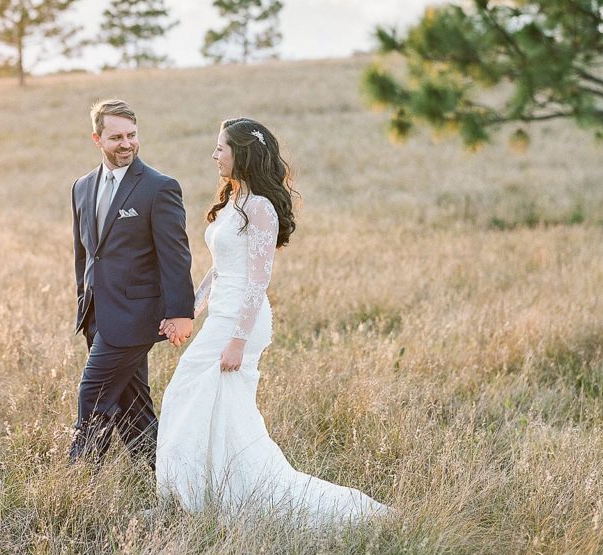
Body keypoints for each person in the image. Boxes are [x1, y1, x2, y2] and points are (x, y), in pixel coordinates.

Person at [156, 118, 392, 524]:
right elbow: (220, 268)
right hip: (221, 317)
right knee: (195, 402)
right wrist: (189, 311)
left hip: (241, 323)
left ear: (241, 153)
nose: (214, 156)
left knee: (203, 401)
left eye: (220, 149)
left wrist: (238, 340)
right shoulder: (233, 199)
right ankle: (197, 494)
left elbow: (258, 278)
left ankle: (229, 494)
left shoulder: (261, 208)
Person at [70, 99, 195, 469]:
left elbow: (175, 256)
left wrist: (181, 313)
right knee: (131, 402)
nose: (126, 144)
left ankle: (75, 484)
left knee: (92, 393)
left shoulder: (158, 188)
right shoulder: (81, 187)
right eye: (116, 137)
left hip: (136, 316)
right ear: (97, 139)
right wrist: (84, 302)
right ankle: (165, 477)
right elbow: (85, 254)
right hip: (96, 314)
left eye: (132, 135)